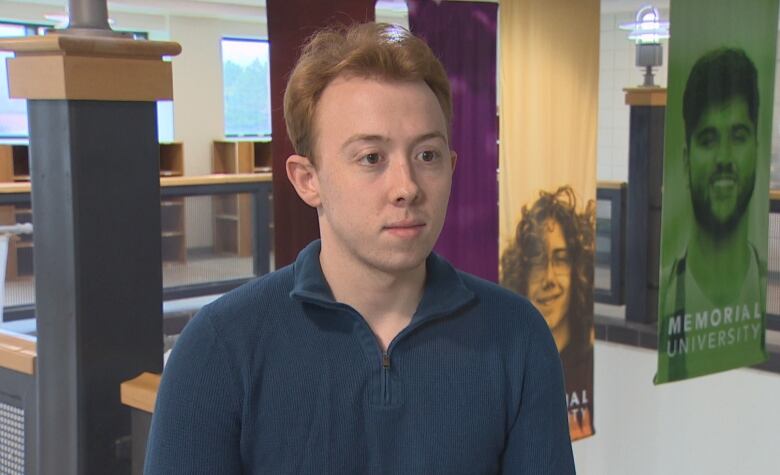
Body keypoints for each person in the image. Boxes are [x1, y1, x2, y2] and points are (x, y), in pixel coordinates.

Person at [144, 22, 574, 474]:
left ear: (451, 167)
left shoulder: (517, 336)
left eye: (426, 156)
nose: (406, 187)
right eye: (372, 158)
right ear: (307, 180)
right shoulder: (218, 348)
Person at [659, 47, 765, 380]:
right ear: (687, 157)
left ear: (757, 148)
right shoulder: (665, 300)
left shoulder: (764, 287)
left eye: (738, 136)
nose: (724, 157)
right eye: (708, 139)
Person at [500, 186, 595, 439]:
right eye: (538, 261)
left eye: (561, 259)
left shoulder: (588, 364)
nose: (549, 278)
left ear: (578, 271)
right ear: (521, 271)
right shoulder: (503, 365)